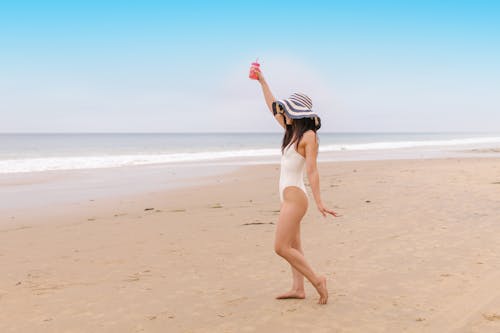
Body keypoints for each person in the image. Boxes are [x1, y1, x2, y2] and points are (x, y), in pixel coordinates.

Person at [252, 66, 339, 305]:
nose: (284, 113)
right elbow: (272, 107)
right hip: (287, 197)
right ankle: (298, 288)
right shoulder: (290, 132)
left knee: (280, 247)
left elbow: (312, 169)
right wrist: (262, 81)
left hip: (296, 199)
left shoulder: (308, 136)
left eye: (288, 110)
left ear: (299, 114)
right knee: (294, 245)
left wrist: (320, 201)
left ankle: (317, 280)